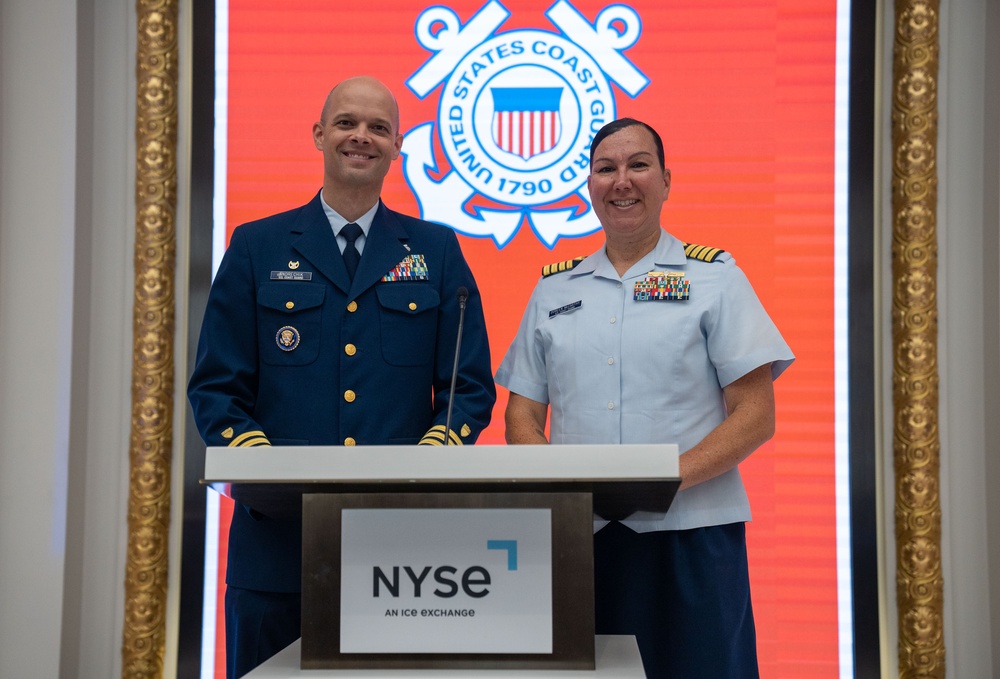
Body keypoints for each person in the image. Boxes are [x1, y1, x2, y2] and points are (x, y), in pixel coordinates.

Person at [188, 75, 496, 678]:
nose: (362, 136)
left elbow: (468, 387)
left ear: (397, 145)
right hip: (278, 544)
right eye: (348, 122)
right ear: (319, 134)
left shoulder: (435, 250)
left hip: (405, 557)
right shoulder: (257, 246)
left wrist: (435, 455)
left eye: (379, 127)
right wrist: (265, 470)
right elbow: (217, 387)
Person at [495, 118, 793, 678]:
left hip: (693, 532)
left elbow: (756, 413)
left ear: (666, 179)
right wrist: (560, 485)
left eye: (638, 165)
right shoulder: (554, 289)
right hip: (580, 537)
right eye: (605, 168)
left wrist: (667, 478)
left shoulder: (715, 278)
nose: (621, 181)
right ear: (589, 184)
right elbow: (522, 412)